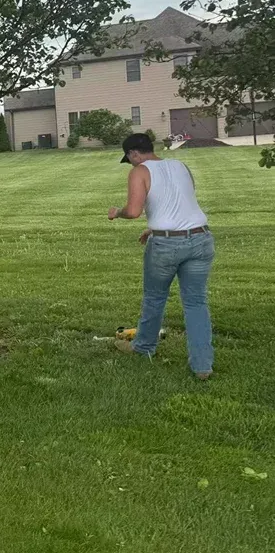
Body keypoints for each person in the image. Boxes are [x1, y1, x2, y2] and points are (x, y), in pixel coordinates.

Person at [107, 132, 215, 379]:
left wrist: (116, 212)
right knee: (196, 302)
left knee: (155, 297)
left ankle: (144, 346)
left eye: (130, 158)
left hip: (166, 245)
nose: (132, 163)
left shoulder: (140, 171)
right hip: (200, 238)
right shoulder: (180, 166)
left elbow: (133, 211)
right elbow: (180, 203)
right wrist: (152, 227)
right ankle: (202, 366)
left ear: (134, 153)